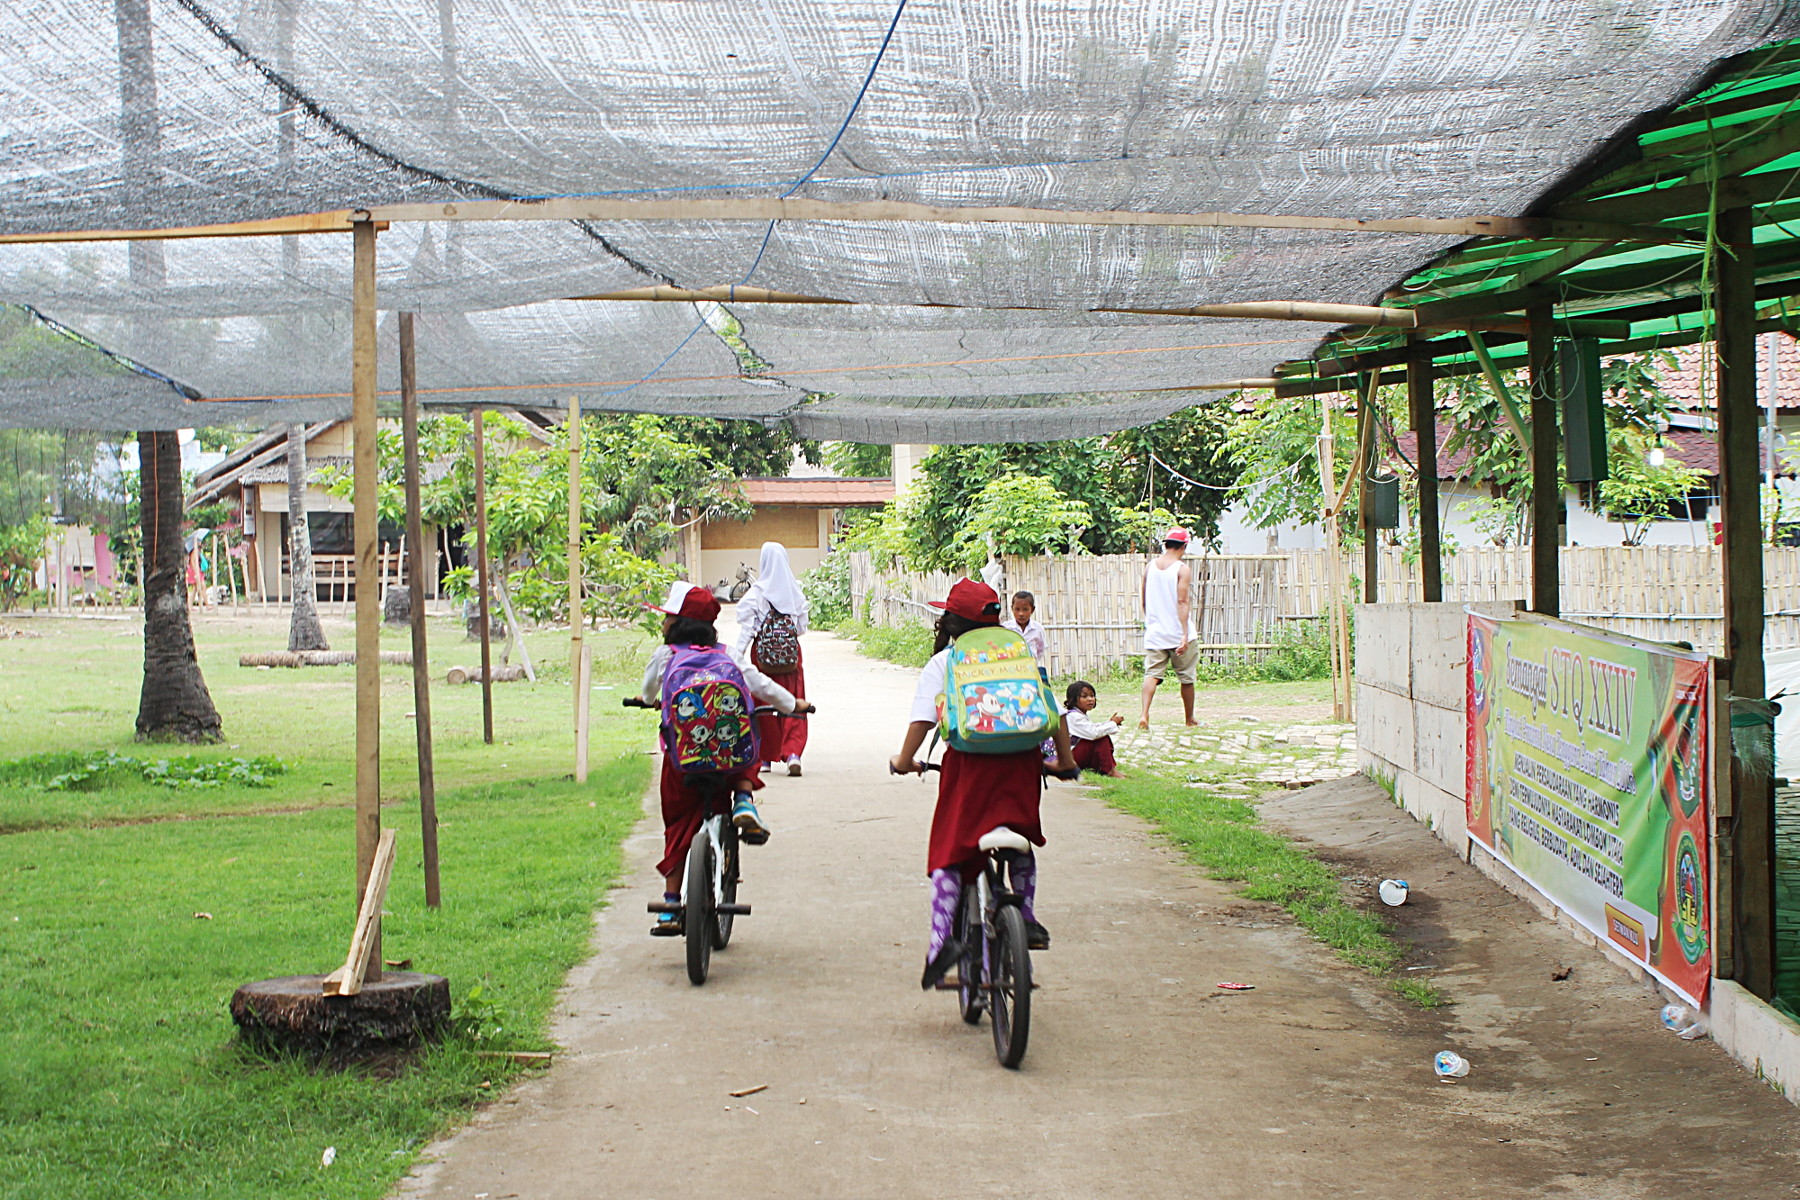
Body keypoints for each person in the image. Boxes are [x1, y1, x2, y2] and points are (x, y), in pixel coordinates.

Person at [890, 578, 1077, 989]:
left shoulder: (946, 662)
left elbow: (923, 720)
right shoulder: (1019, 654)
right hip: (1020, 770)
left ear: (952, 622)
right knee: (1021, 837)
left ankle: (941, 943)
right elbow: (1053, 711)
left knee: (950, 853)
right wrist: (1063, 761)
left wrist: (903, 761)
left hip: (969, 771)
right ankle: (1024, 916)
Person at [641, 581, 810, 935]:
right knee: (743, 742)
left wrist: (652, 700)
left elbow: (647, 693)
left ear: (676, 624)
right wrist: (794, 705)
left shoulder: (666, 656)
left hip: (683, 762)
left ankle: (671, 906)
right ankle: (744, 800)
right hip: (727, 763)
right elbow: (762, 687)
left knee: (676, 824)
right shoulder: (727, 655)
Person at [733, 541, 810, 776]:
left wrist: (735, 658)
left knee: (764, 703)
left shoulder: (756, 595)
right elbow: (801, 629)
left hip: (763, 659)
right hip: (790, 659)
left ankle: (766, 757)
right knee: (794, 700)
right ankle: (793, 753)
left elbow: (747, 630)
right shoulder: (794, 591)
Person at [1139, 527, 1199, 729]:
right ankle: (1189, 719)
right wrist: (1184, 634)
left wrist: (1152, 623)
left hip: (1155, 632)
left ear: (1165, 544)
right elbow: (1182, 602)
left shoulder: (1150, 567)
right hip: (1178, 632)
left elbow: (1144, 600)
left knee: (1152, 674)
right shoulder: (1182, 569)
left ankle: (1144, 715)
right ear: (1184, 546)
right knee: (1187, 678)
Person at [1064, 681, 1124, 777]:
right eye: (1084, 696)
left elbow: (1092, 727)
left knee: (1101, 734)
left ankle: (1103, 767)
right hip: (1069, 758)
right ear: (1074, 699)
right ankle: (1110, 770)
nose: (1090, 699)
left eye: (1092, 696)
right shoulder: (1074, 717)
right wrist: (1112, 723)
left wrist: (1110, 723)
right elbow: (1093, 733)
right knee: (1101, 738)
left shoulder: (1079, 714)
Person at [1001, 590, 1048, 669]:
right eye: (1017, 609)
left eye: (1025, 609)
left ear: (1032, 609)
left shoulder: (1037, 629)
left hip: (1031, 669)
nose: (1021, 614)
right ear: (1012, 609)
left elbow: (1041, 650)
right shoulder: (1005, 628)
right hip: (1010, 669)